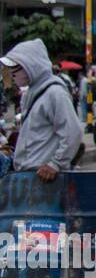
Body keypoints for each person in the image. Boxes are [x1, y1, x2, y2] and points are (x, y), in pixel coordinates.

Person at [1, 39, 82, 180]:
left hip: (43, 179)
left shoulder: (55, 93)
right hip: (27, 177)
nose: (12, 74)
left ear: (31, 66)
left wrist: (55, 164)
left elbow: (73, 132)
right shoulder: (31, 93)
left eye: (16, 68)